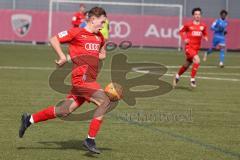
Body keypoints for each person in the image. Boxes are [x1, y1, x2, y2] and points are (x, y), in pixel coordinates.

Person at [19, 7, 110, 154]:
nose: (103, 25)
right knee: (105, 102)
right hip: (82, 80)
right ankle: (90, 140)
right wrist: (62, 56)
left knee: (64, 111)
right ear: (93, 19)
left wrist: (88, 54)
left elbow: (102, 54)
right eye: (102, 22)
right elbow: (54, 39)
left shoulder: (100, 37)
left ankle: (29, 119)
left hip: (90, 79)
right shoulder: (76, 32)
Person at [173, 7, 208, 88]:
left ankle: (177, 76)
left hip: (196, 49)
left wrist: (206, 37)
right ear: (193, 16)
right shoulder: (188, 24)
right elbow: (181, 31)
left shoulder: (203, 26)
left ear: (201, 15)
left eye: (199, 14)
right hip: (189, 48)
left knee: (187, 65)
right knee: (197, 60)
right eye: (196, 14)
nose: (197, 16)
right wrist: (185, 39)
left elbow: (205, 33)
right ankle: (192, 79)